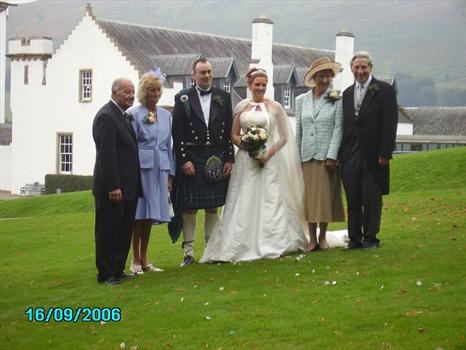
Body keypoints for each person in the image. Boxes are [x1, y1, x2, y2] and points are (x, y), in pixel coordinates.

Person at [200, 68, 308, 263]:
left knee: (271, 198)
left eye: (263, 85)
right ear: (250, 86)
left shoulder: (275, 107)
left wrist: (267, 153)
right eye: (257, 85)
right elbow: (233, 134)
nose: (260, 88)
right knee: (244, 197)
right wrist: (247, 146)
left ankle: (273, 240)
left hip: (269, 160)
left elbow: (284, 137)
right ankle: (241, 241)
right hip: (246, 160)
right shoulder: (242, 107)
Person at [172, 57, 235, 266]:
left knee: (212, 207)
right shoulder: (183, 97)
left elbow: (229, 131)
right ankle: (188, 253)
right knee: (190, 207)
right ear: (194, 75)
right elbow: (178, 133)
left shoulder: (223, 97)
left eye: (209, 72)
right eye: (202, 72)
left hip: (216, 156)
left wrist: (229, 158)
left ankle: (210, 251)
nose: (207, 75)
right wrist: (184, 160)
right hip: (193, 156)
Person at [340, 51, 398, 249]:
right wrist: (342, 155)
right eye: (356, 67)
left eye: (363, 67)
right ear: (351, 69)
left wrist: (385, 152)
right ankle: (354, 239)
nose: (360, 71)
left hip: (374, 154)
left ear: (370, 68)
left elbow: (390, 124)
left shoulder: (385, 90)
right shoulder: (346, 94)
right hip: (350, 153)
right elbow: (346, 125)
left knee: (371, 197)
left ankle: (371, 238)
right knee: (353, 197)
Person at [92, 78, 141, 285]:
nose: (130, 96)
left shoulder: (122, 116)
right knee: (108, 230)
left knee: (123, 229)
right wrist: (113, 186)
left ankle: (118, 269)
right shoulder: (107, 117)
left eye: (132, 92)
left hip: (129, 186)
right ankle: (106, 273)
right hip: (113, 187)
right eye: (125, 92)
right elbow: (107, 155)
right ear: (114, 93)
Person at [126, 71, 175, 275]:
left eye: (158, 90)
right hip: (141, 168)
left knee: (150, 215)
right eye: (151, 90)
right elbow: (130, 145)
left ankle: (145, 258)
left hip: (160, 169)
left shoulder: (166, 115)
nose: (155, 94)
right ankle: (135, 260)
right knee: (138, 214)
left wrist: (170, 175)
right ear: (144, 92)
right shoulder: (134, 114)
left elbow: (169, 146)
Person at [295, 57, 346, 252]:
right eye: (321, 76)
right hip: (307, 156)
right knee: (309, 200)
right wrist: (297, 157)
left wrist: (332, 155)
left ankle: (323, 237)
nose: (325, 80)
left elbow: (338, 129)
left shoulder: (337, 100)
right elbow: (298, 130)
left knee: (324, 199)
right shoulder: (301, 101)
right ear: (314, 77)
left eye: (328, 76)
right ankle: (311, 239)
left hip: (327, 158)